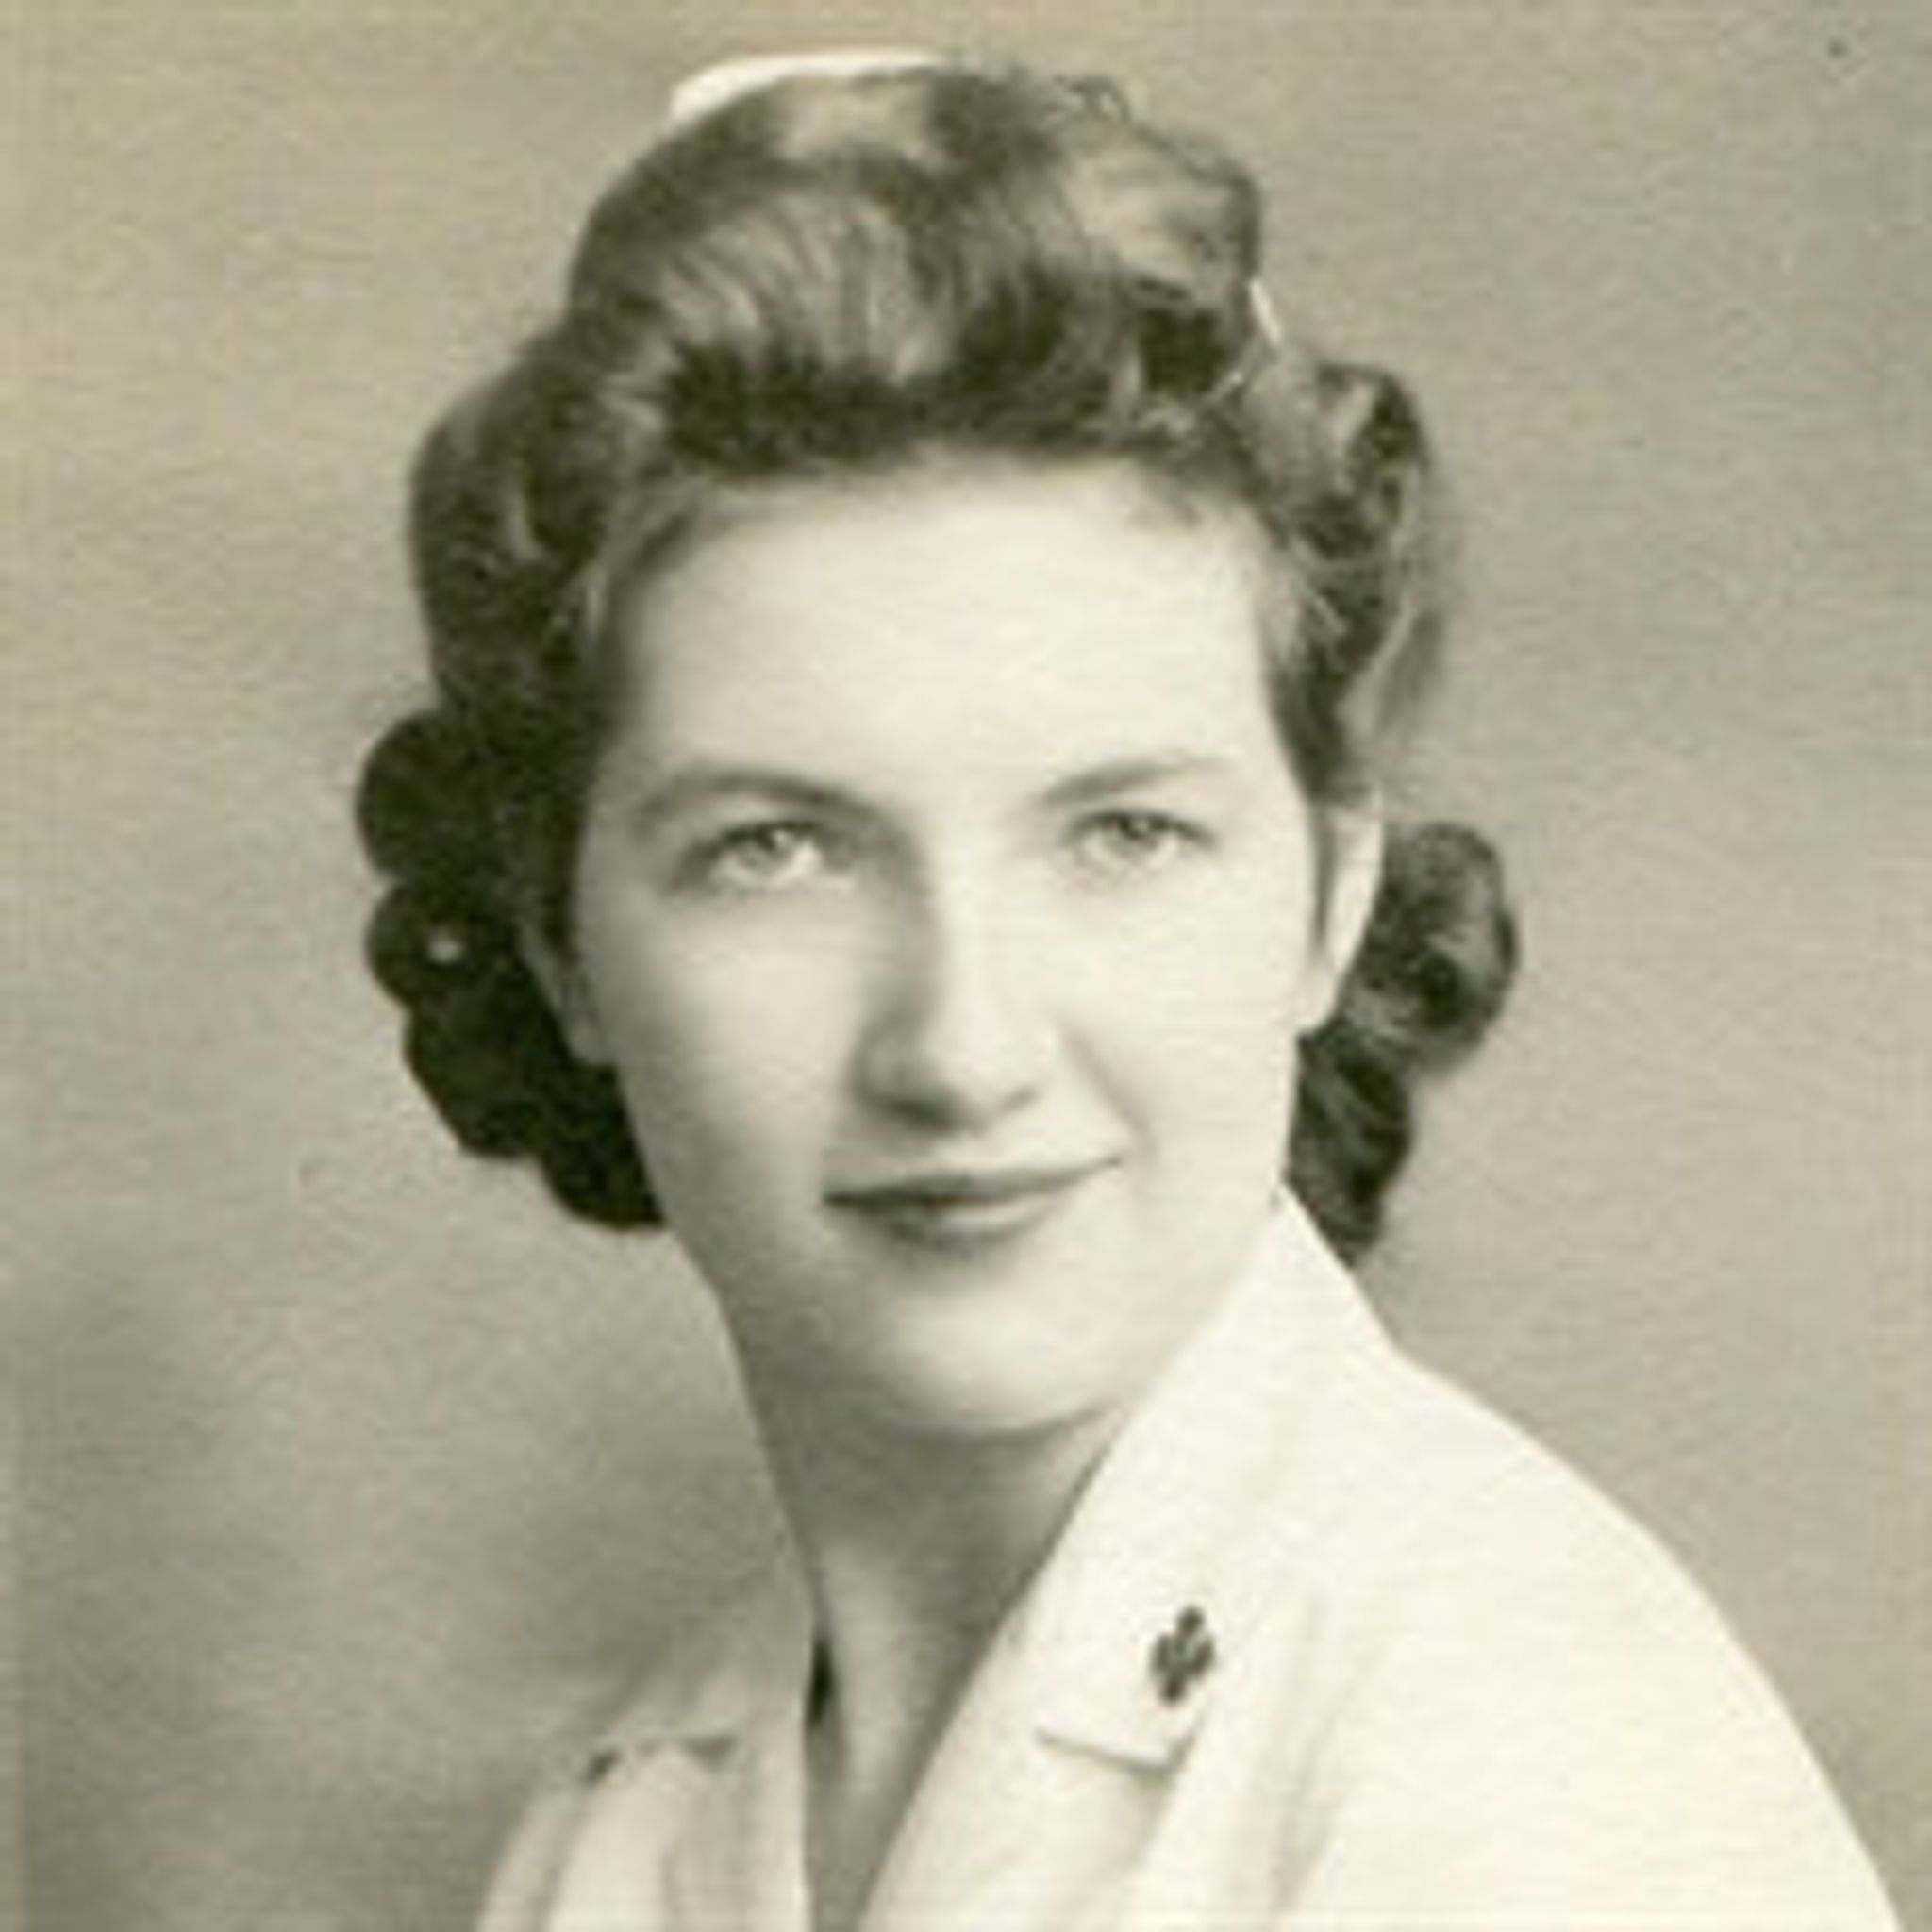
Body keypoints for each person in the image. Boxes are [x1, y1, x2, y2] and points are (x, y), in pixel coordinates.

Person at [356, 52, 1898, 1931]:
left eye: (1124, 834)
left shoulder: (1532, 1760)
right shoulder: (626, 1817)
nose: (962, 1048)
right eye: (778, 847)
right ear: (560, 945)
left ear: (1329, 897)